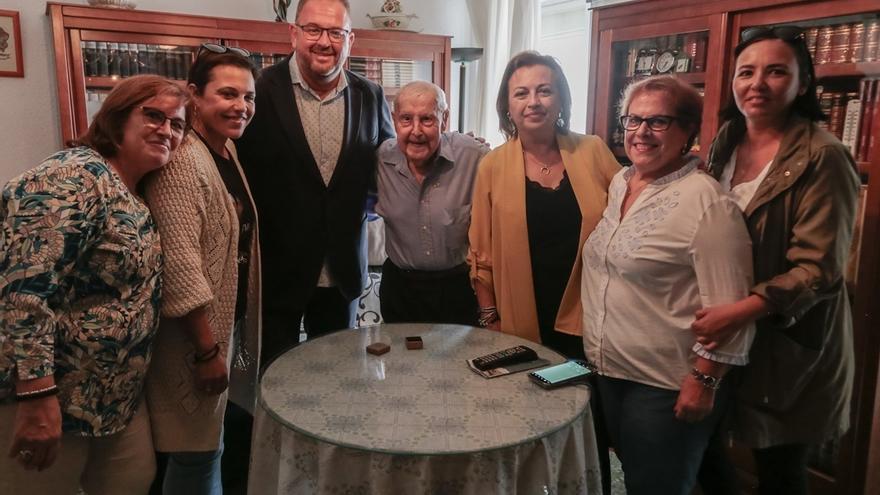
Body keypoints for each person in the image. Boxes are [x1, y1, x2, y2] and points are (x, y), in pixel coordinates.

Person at [0, 75, 187, 495]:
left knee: (136, 478)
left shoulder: (132, 187)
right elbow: (23, 295)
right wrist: (36, 395)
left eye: (176, 125)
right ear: (117, 117)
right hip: (51, 394)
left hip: (113, 396)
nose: (166, 130)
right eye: (153, 116)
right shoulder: (71, 178)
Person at [694, 26, 859, 495]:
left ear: (802, 82)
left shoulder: (824, 156)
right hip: (731, 334)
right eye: (746, 72)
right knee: (705, 449)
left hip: (789, 344)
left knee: (780, 471)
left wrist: (741, 310)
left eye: (775, 72)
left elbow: (820, 269)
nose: (757, 84)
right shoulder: (726, 139)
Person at [580, 75, 756, 495]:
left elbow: (732, 309)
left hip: (665, 384)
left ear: (687, 132)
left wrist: (704, 380)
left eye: (658, 122)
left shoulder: (706, 202)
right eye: (633, 120)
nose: (641, 132)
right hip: (610, 372)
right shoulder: (621, 182)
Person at [237, 0, 394, 366]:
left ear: (350, 39)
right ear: (294, 33)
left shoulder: (370, 96)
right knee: (275, 383)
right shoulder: (259, 91)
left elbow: (391, 163)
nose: (324, 41)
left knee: (338, 383)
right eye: (313, 30)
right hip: (279, 276)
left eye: (336, 32)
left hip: (342, 276)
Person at [144, 45, 261, 495]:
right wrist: (207, 351)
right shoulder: (183, 163)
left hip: (220, 330)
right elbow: (180, 267)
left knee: (209, 445)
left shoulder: (226, 151)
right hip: (193, 343)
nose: (241, 106)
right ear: (194, 96)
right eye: (227, 94)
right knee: (195, 454)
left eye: (248, 97)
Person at [467, 51, 619, 355]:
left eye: (544, 91)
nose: (533, 101)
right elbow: (481, 255)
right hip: (521, 316)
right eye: (521, 93)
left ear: (561, 99)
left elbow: (629, 213)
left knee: (583, 392)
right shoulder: (492, 166)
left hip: (591, 315)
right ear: (508, 107)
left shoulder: (593, 151)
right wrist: (489, 317)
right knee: (530, 395)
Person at [375, 81, 486, 325]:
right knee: (400, 362)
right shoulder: (381, 159)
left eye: (427, 119)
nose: (416, 131)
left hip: (457, 290)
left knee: (458, 363)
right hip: (400, 290)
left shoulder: (473, 157)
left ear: (444, 119)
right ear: (394, 120)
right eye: (406, 119)